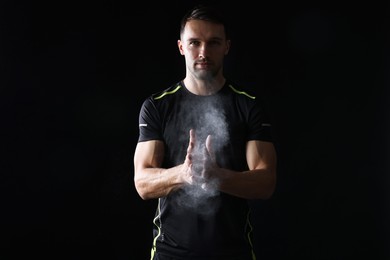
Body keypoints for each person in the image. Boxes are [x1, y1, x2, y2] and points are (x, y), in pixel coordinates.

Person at [133, 4, 277, 260]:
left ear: (227, 47)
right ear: (181, 47)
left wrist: (216, 176)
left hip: (234, 252)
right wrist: (185, 174)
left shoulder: (248, 106)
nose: (203, 52)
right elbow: (143, 183)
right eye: (194, 43)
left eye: (213, 43)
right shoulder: (156, 106)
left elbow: (265, 182)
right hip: (170, 254)